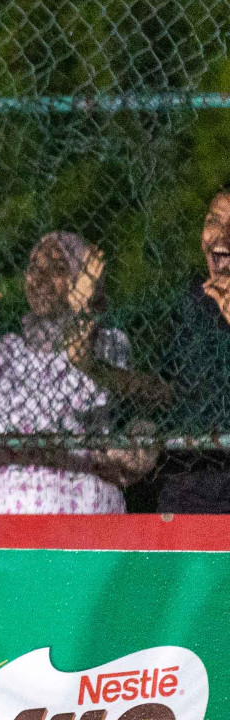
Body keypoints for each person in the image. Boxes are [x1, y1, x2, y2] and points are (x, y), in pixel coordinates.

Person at [0, 232, 157, 514]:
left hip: (81, 522)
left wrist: (78, 312)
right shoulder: (4, 352)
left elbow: (78, 396)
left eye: (58, 269)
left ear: (87, 283)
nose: (40, 278)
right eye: (34, 268)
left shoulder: (108, 343)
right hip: (6, 530)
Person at [156, 187, 230, 512]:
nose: (223, 234)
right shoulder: (191, 302)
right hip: (191, 488)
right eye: (214, 220)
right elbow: (168, 388)